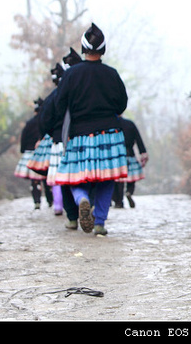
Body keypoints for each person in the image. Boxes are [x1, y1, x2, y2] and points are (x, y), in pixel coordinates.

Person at [49, 23, 129, 236]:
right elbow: (122, 105)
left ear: (83, 49)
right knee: (107, 178)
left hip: (79, 134)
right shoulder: (112, 74)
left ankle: (81, 199)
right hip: (109, 134)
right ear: (103, 50)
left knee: (73, 175)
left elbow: (60, 105)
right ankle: (100, 222)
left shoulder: (71, 75)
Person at [40, 48, 83, 228]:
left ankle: (68, 213)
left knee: (63, 178)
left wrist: (53, 135)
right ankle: (84, 201)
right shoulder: (82, 91)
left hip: (60, 142)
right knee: (83, 175)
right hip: (81, 137)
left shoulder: (53, 97)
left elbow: (44, 120)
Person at [14, 98, 50, 210]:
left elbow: (24, 138)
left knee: (34, 179)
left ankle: (37, 201)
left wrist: (23, 149)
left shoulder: (30, 123)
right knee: (46, 178)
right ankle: (50, 200)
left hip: (31, 153)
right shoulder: (47, 121)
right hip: (44, 153)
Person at [112, 116, 148, 209]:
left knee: (119, 180)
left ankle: (119, 201)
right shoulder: (129, 124)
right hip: (130, 154)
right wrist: (142, 152)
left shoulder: (111, 124)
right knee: (132, 177)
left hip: (117, 155)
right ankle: (129, 192)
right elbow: (138, 139)